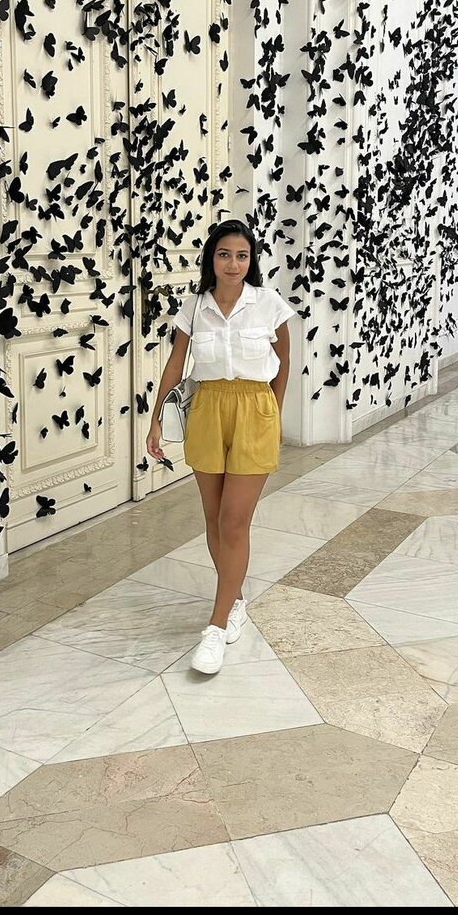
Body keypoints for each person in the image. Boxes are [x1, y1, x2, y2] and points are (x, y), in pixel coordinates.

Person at [146, 219, 295, 674]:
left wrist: (273, 415)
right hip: (207, 410)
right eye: (225, 254)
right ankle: (235, 601)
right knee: (213, 519)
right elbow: (176, 364)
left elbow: (283, 363)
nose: (233, 264)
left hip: (255, 408)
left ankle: (215, 626)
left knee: (234, 520)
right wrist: (154, 420)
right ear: (211, 259)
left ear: (252, 261)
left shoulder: (268, 303)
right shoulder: (195, 307)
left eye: (242, 255)